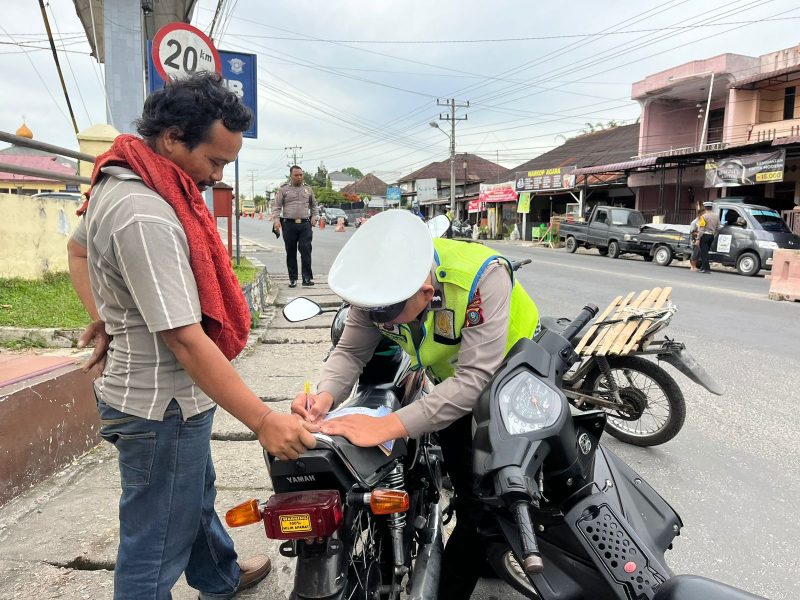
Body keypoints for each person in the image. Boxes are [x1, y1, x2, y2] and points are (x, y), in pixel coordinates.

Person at [67, 72, 317, 600]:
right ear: (173, 138)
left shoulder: (122, 178)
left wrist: (107, 316)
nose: (217, 176)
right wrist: (263, 420)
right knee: (155, 542)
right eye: (215, 161)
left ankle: (218, 576)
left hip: (153, 396)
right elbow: (184, 338)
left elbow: (78, 250)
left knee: (192, 495)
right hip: (163, 405)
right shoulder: (145, 214)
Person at [290, 209, 540, 600]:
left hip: (513, 377)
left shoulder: (482, 278)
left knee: (488, 504)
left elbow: (475, 379)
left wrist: (386, 426)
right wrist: (324, 396)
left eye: (386, 313)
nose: (378, 320)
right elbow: (351, 350)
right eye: (372, 311)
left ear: (426, 291)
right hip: (452, 380)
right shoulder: (379, 293)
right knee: (467, 483)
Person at [271, 166, 318, 287]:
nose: (299, 177)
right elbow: (277, 207)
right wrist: (276, 221)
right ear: (291, 176)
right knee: (291, 252)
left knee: (305, 249)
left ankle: (306, 278)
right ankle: (293, 279)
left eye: (301, 175)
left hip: (305, 224)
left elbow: (314, 205)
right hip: (289, 225)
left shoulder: (308, 189)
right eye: (296, 175)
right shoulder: (283, 189)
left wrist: (314, 217)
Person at [697, 202, 720, 274]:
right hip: (711, 236)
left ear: (705, 208)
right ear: (711, 208)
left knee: (704, 253)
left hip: (705, 236)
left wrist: (698, 238)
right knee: (706, 251)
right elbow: (718, 227)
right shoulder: (716, 216)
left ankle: (706, 269)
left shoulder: (703, 217)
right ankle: (703, 267)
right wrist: (714, 234)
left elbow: (702, 229)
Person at [688, 206, 704, 271]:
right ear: (699, 214)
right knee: (695, 253)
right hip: (695, 239)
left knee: (698, 253)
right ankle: (692, 266)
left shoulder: (702, 221)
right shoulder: (694, 222)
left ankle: (695, 266)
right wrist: (699, 234)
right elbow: (692, 232)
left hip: (700, 239)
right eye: (703, 214)